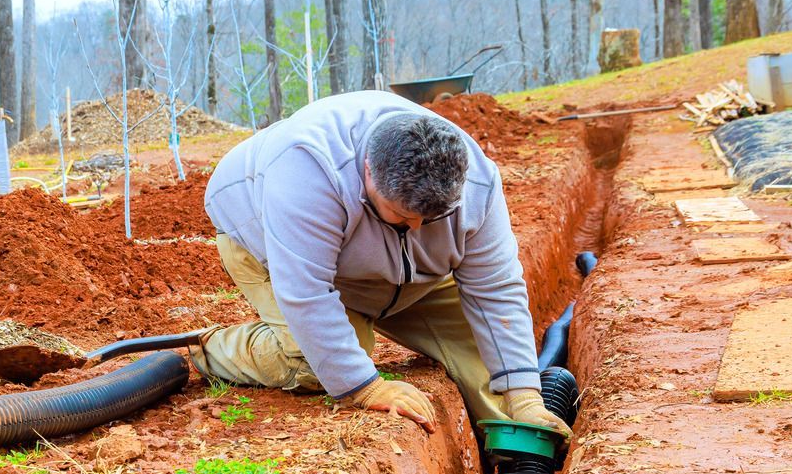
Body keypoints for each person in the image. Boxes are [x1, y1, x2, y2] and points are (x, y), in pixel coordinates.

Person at [192, 90, 570, 438]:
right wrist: (365, 386)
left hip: (411, 276)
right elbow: (306, 293)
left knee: (492, 375)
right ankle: (216, 349)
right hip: (268, 244)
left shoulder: (478, 182)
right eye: (404, 217)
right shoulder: (307, 172)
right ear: (369, 171)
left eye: (433, 220)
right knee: (315, 364)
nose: (419, 229)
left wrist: (525, 398)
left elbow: (496, 288)